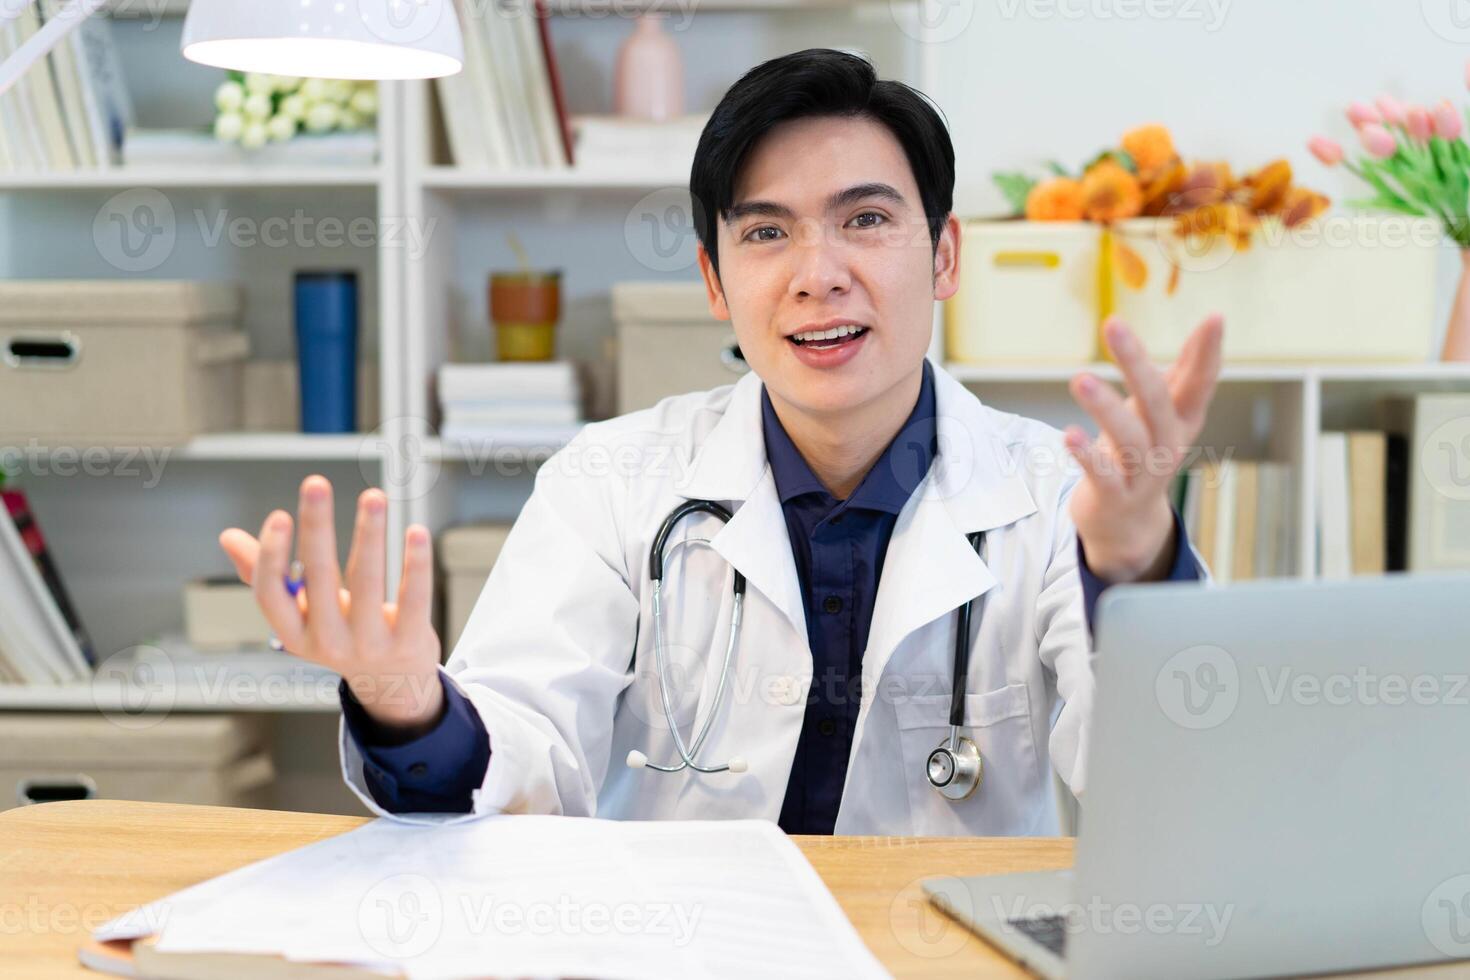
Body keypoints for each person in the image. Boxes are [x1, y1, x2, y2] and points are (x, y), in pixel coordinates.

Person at [219, 48, 1220, 835]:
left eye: (865, 219)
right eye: (767, 232)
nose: (818, 273)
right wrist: (405, 701)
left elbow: (1166, 788)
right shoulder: (608, 481)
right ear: (714, 282)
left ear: (945, 253)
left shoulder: (1054, 492)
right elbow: (527, 749)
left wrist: (1133, 564)